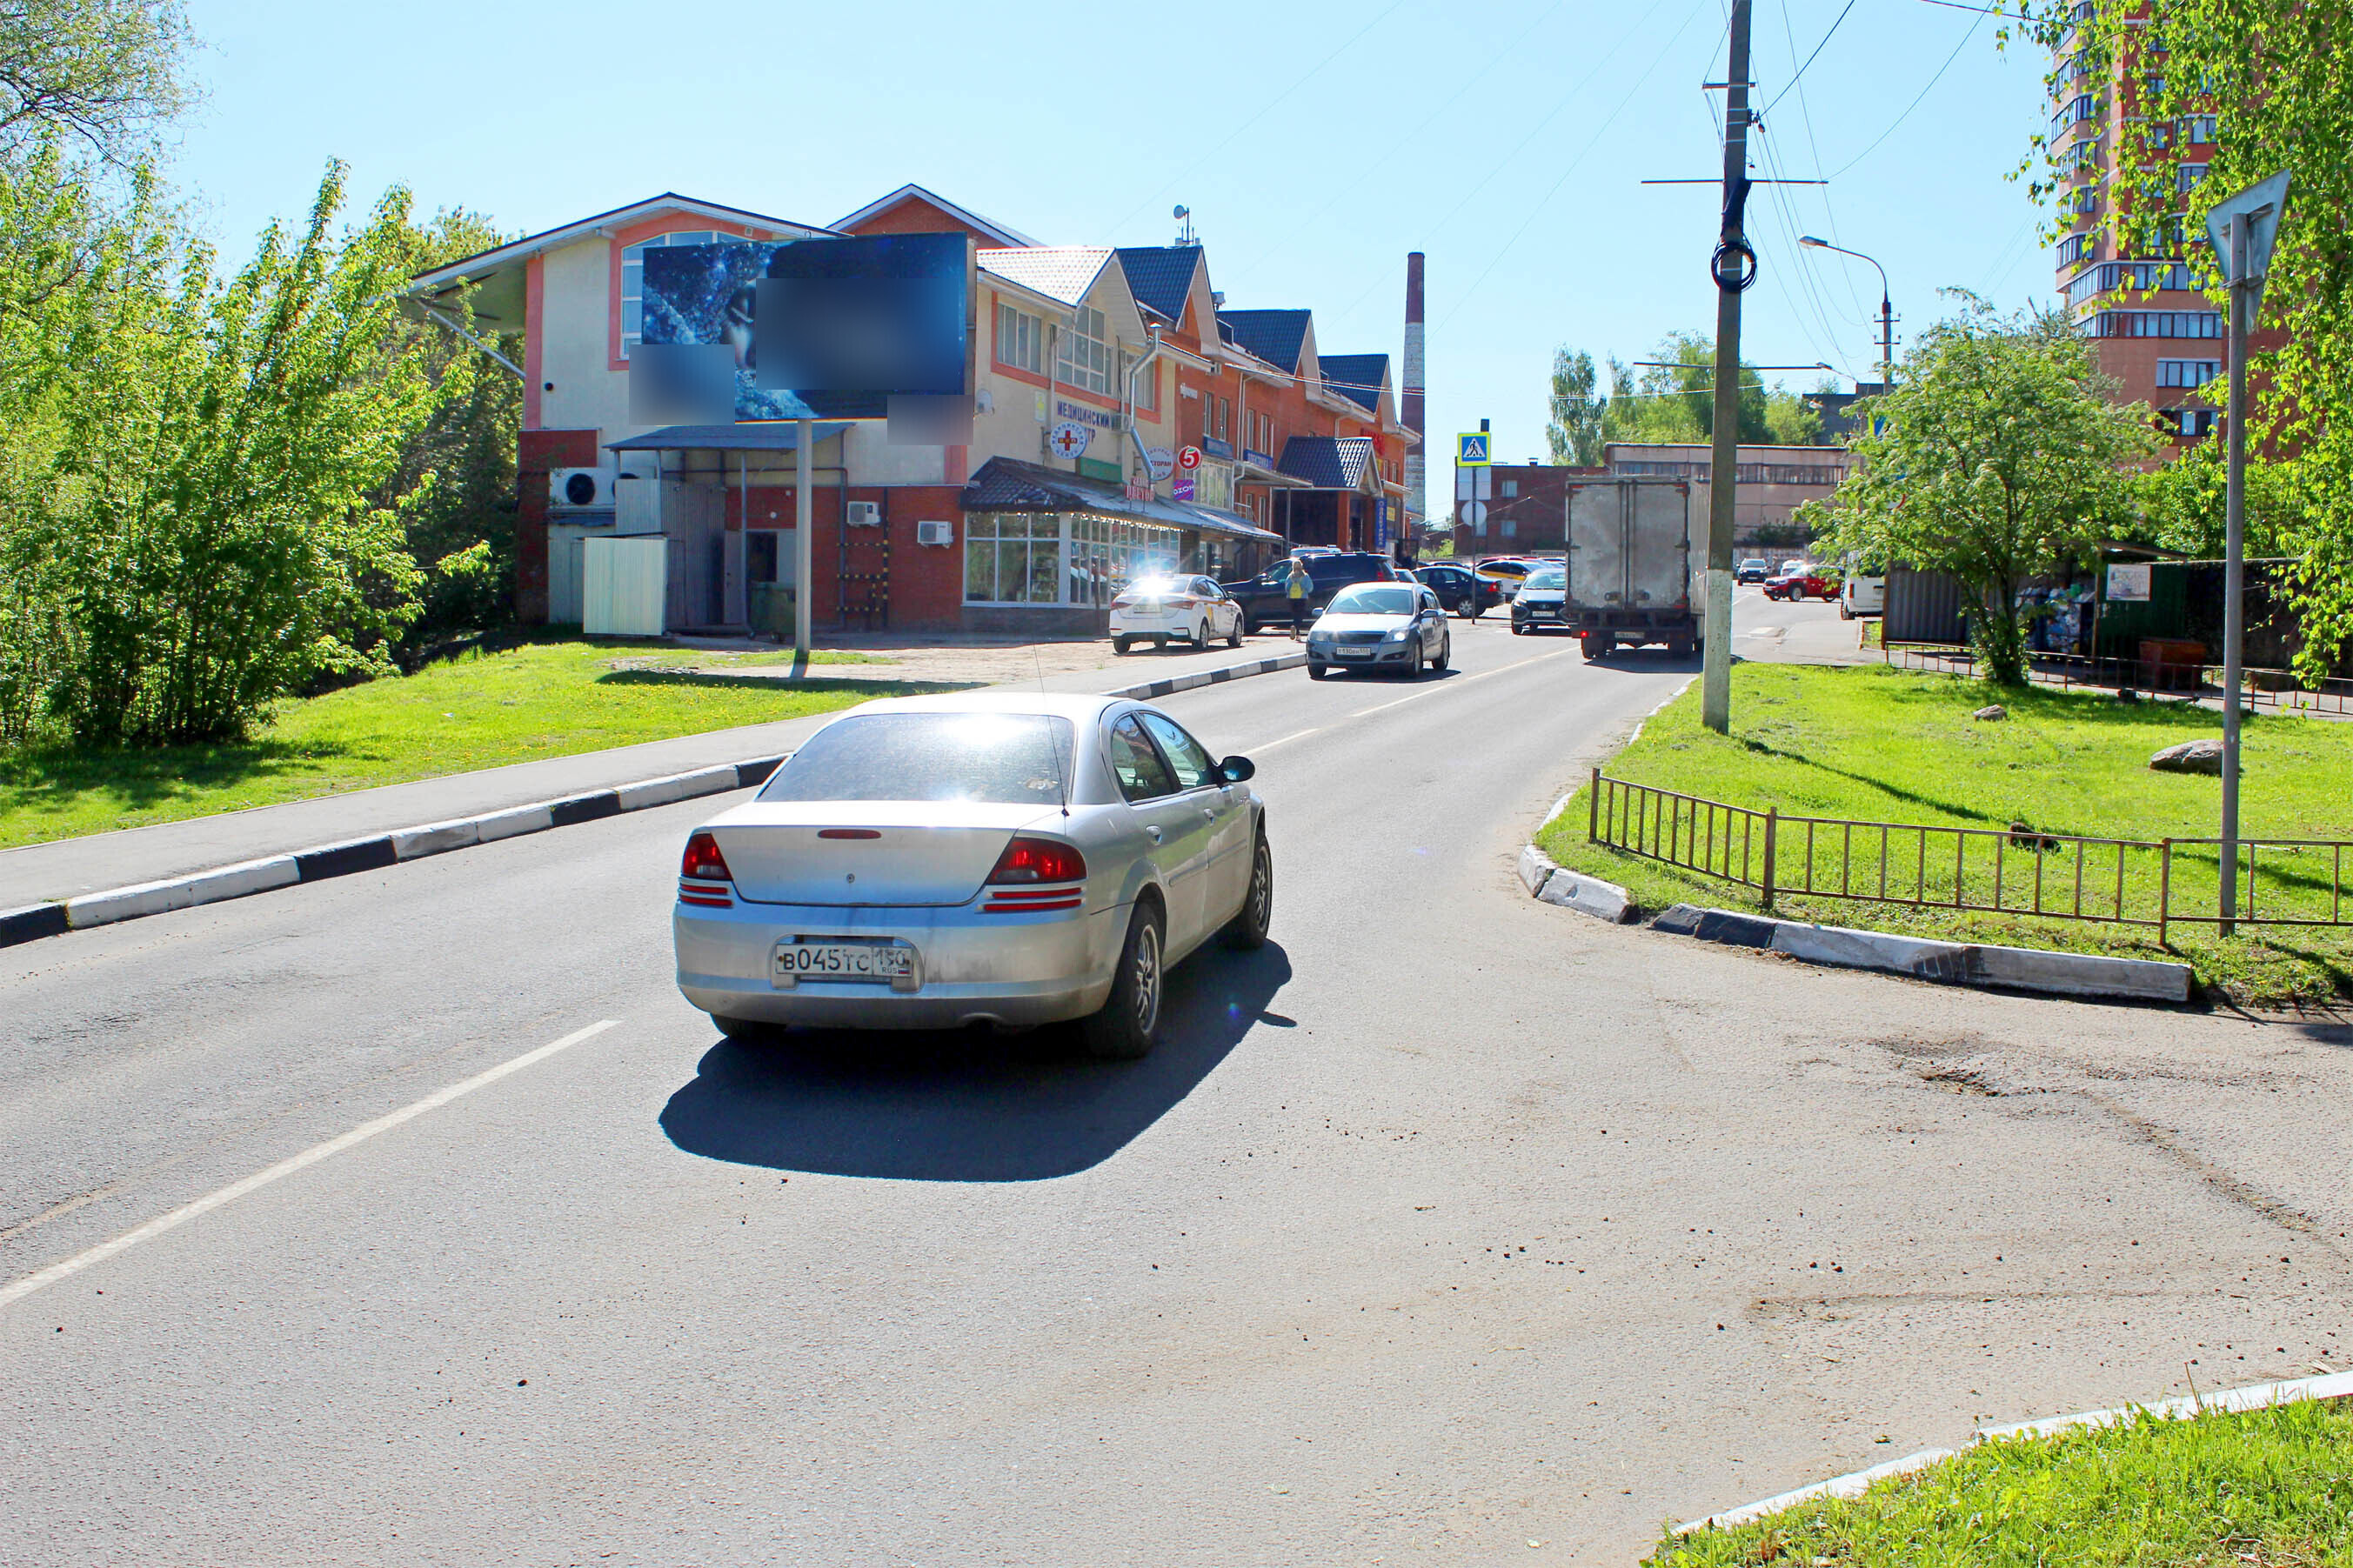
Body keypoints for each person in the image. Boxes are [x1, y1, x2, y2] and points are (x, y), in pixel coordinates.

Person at [1283, 554, 1314, 638]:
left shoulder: (1290, 576)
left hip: (1292, 598)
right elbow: (1310, 588)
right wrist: (1304, 590)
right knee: (1300, 614)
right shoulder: (1305, 576)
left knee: (1294, 614)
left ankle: (1294, 626)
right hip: (1302, 598)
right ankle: (1298, 632)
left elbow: (1287, 588)